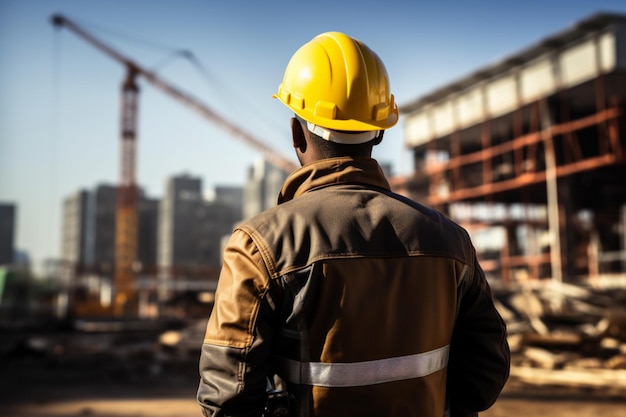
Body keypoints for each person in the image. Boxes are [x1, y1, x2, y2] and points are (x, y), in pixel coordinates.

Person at [197, 31, 510, 417]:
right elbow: (485, 374)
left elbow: (228, 398)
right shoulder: (450, 241)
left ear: (297, 134)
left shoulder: (259, 246)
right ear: (379, 131)